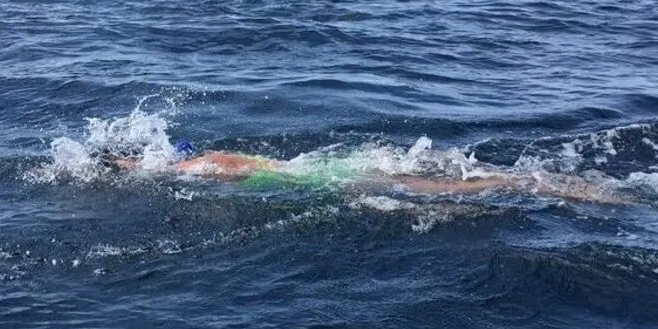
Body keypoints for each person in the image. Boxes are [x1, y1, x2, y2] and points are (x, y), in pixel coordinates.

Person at [106, 142, 626, 205]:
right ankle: (529, 180)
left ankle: (532, 183)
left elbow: (230, 173)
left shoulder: (204, 168)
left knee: (436, 189)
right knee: (432, 177)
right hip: (332, 166)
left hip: (331, 179)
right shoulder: (207, 157)